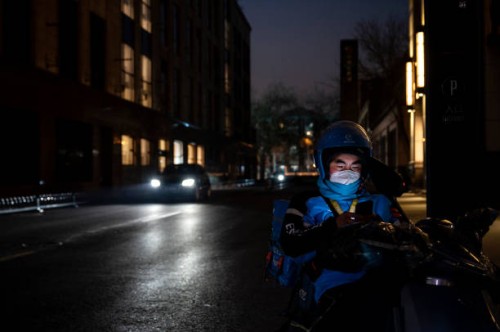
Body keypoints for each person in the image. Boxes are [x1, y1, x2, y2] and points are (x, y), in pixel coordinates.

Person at [278, 120, 406, 331]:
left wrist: (378, 226)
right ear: (323, 164)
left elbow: (407, 236)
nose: (348, 171)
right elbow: (291, 244)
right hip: (331, 288)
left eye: (355, 165)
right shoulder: (306, 201)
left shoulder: (379, 202)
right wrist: (333, 226)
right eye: (340, 164)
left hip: (379, 282)